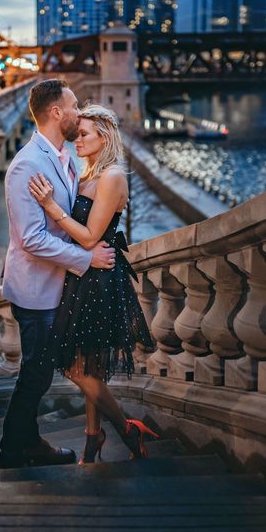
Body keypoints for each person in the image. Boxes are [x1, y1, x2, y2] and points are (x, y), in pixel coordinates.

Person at [0, 80, 117, 469]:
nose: (80, 112)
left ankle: (24, 444)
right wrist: (86, 259)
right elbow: (31, 238)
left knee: (40, 372)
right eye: (75, 105)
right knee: (35, 373)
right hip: (34, 289)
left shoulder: (62, 156)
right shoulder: (27, 165)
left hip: (55, 286)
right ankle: (15, 449)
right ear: (56, 113)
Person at [28, 103, 158, 465]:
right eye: (77, 133)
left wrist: (52, 207)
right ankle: (91, 436)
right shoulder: (88, 174)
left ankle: (124, 427)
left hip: (98, 278)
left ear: (105, 136)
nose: (77, 139)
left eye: (84, 134)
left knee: (76, 367)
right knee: (90, 364)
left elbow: (88, 238)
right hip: (84, 274)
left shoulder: (113, 175)